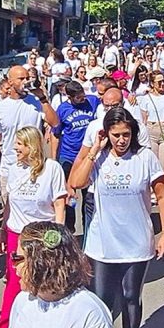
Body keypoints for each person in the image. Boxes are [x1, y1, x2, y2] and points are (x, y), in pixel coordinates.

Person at [68, 107, 164, 328]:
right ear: (107, 134)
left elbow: (162, 196)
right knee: (101, 300)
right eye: (116, 135)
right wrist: (94, 150)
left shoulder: (145, 157)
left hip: (137, 243)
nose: (121, 140)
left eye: (126, 134)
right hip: (103, 243)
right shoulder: (99, 158)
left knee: (130, 297)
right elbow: (75, 182)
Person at [0, 126, 67, 328]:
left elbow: (59, 205)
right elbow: (9, 203)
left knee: (45, 287)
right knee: (14, 288)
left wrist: (59, 238)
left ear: (31, 146)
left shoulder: (52, 169)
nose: (15, 148)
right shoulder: (14, 169)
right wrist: (3, 231)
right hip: (17, 236)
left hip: (44, 237)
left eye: (20, 144)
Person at [52, 81, 101, 232]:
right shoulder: (63, 109)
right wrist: (54, 159)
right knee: (68, 195)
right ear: (70, 97)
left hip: (88, 156)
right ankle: (69, 230)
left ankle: (89, 228)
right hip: (68, 156)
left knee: (89, 195)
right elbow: (56, 133)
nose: (83, 99)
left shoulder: (93, 101)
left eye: (83, 96)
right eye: (79, 98)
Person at [0, 66, 58, 169]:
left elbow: (54, 122)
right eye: (21, 79)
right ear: (10, 82)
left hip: (34, 166)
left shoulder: (36, 102)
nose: (25, 82)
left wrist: (42, 98)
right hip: (9, 168)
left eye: (27, 78)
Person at [142, 70, 164, 169]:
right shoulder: (146, 98)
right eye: (159, 82)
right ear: (153, 84)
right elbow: (144, 119)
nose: (163, 84)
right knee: (152, 164)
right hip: (151, 129)